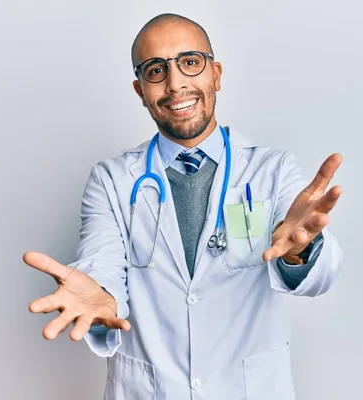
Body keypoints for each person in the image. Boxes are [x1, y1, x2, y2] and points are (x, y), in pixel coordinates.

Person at [24, 13, 344, 400]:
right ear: (140, 90)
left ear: (216, 75)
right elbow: (100, 262)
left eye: (190, 63)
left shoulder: (271, 171)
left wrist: (301, 251)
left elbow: (321, 273)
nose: (175, 84)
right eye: (156, 70)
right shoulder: (112, 179)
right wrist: (99, 292)